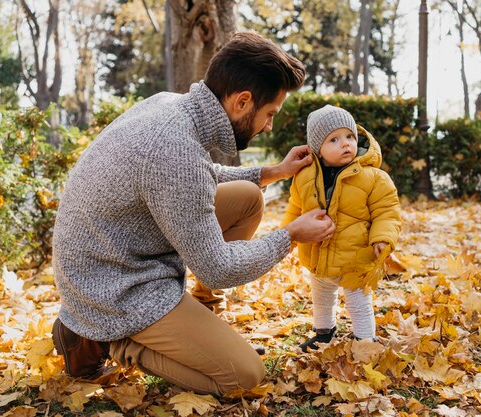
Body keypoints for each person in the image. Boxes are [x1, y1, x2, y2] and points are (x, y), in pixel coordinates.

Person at [51, 31, 336, 395]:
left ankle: (199, 321)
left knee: (249, 197)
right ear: (242, 101)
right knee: (243, 376)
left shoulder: (172, 106)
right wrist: (292, 236)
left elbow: (194, 179)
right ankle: (109, 338)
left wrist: (270, 173)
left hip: (112, 251)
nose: (269, 126)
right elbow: (217, 268)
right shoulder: (176, 147)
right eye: (269, 115)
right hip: (112, 285)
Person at [280, 105, 401, 351]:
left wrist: (382, 238)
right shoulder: (304, 176)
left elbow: (386, 211)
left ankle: (365, 340)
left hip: (355, 256)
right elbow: (295, 207)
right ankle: (324, 333)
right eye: (333, 139)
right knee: (322, 298)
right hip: (318, 253)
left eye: (349, 136)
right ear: (317, 149)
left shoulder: (374, 178)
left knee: (358, 301)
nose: (345, 143)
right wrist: (287, 236)